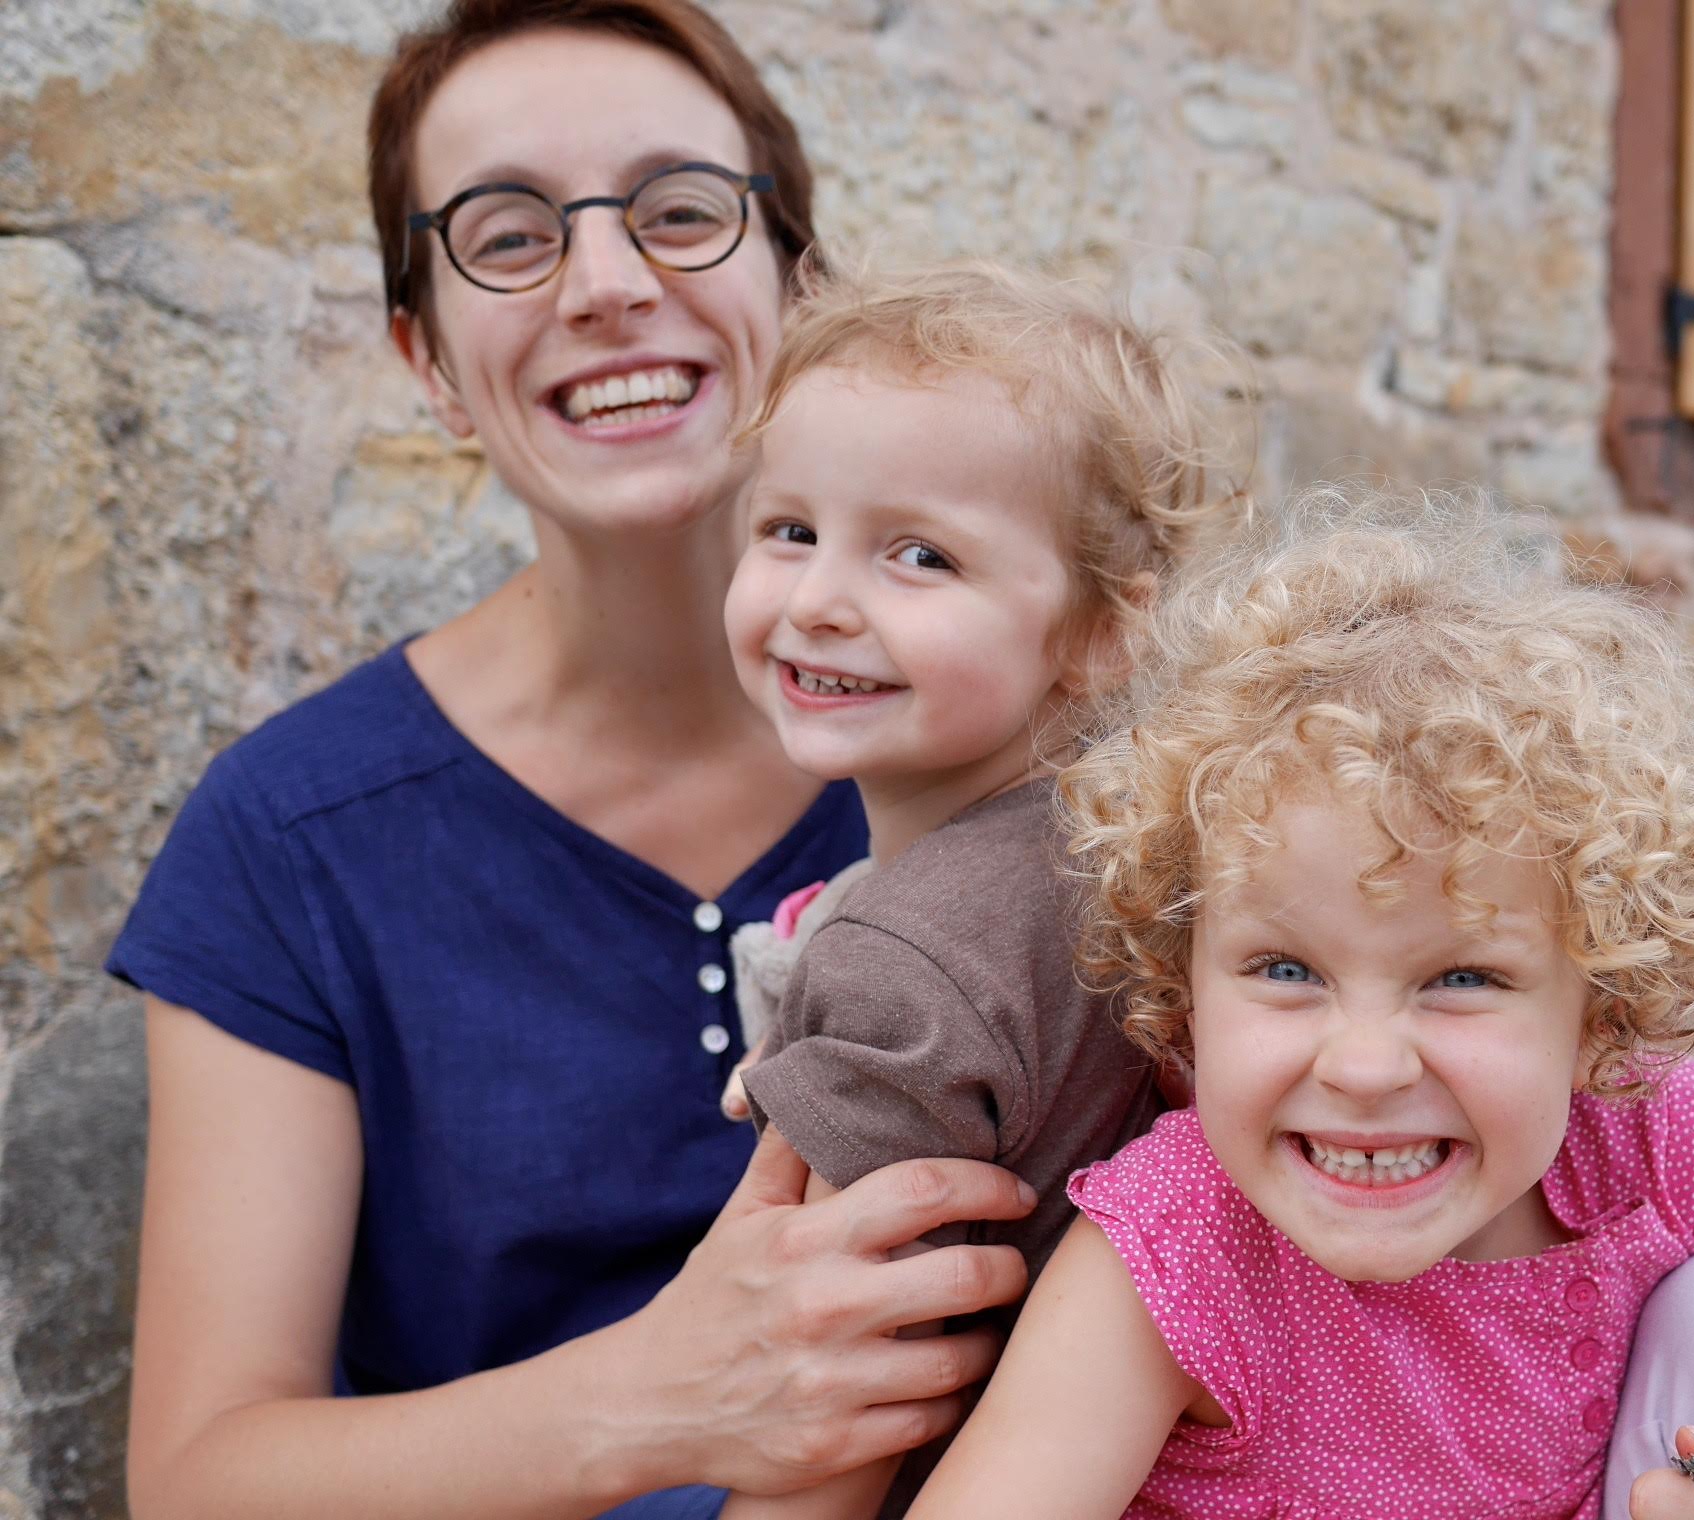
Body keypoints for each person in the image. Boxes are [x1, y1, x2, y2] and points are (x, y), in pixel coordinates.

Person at [108, 6, 1038, 1518]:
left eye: (680, 210)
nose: (607, 284)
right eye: (506, 235)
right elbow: (198, 1479)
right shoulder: (289, 839)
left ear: (801, 286)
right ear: (426, 360)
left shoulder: (1038, 762)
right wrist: (653, 1402)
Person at [906, 485, 1694, 1520]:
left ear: (1601, 1016)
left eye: (1462, 977)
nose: (1359, 1062)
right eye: (1285, 970)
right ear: (1184, 994)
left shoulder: (1661, 1143)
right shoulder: (1182, 1248)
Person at [705, 254, 1243, 1519]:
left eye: (920, 555)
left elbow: (832, 1410)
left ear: (1106, 629)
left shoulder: (909, 958)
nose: (820, 601)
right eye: (788, 530)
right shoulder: (1136, 851)